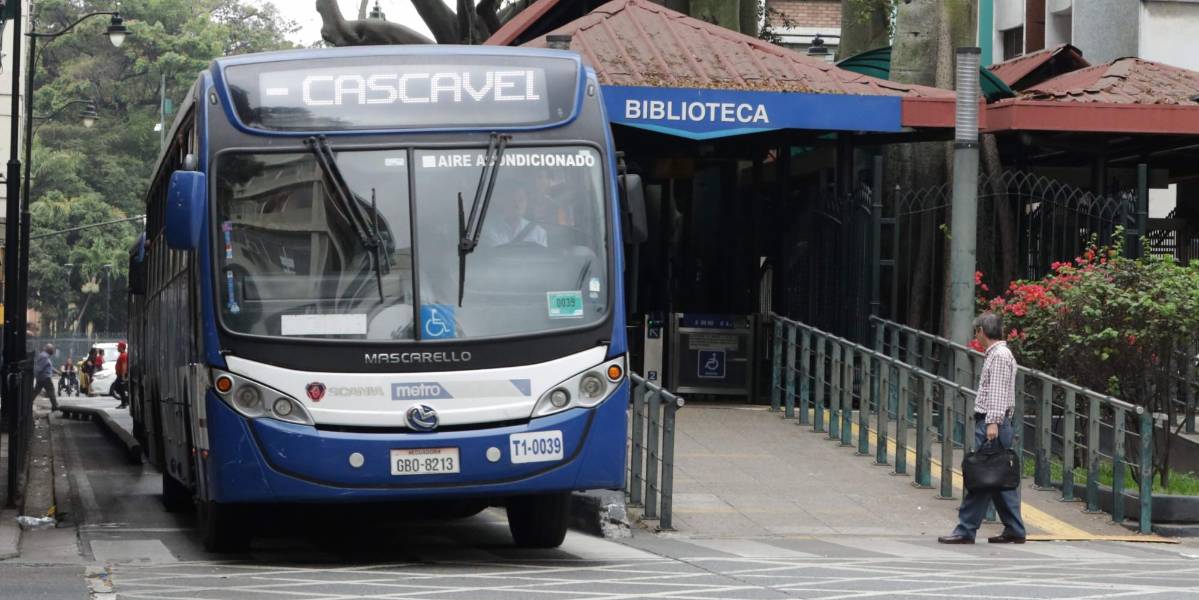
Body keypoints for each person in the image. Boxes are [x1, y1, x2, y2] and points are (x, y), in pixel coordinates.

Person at [939, 312, 1026, 544]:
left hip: (992, 423)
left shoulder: (998, 356)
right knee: (1000, 479)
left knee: (981, 477)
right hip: (998, 423)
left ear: (980, 331)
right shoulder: (1001, 354)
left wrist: (992, 424)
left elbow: (997, 393)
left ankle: (965, 529)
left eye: (975, 331)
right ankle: (1015, 529)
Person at [481, 188, 547, 248]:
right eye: (512, 200)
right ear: (504, 203)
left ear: (527, 204)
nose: (517, 205)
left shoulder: (539, 233)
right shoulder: (489, 230)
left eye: (521, 200)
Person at [33, 344, 60, 412]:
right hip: (45, 378)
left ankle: (28, 402)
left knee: (36, 391)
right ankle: (55, 406)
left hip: (42, 378)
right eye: (52, 349)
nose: (53, 351)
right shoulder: (44, 357)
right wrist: (36, 375)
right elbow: (40, 368)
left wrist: (57, 371)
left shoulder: (44, 356)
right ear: (49, 350)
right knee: (51, 391)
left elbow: (48, 366)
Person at [113, 341, 130, 409]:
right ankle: (125, 402)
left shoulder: (123, 355)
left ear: (122, 347)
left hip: (121, 375)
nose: (117, 348)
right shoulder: (122, 354)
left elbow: (124, 366)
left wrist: (123, 376)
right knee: (119, 388)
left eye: (118, 346)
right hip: (120, 375)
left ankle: (124, 403)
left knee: (118, 388)